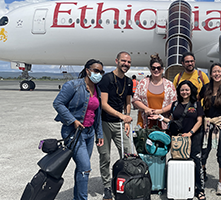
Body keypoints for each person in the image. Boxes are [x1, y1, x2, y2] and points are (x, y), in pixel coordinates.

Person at [53, 59, 105, 200]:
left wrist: (99, 134)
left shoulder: (97, 89)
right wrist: (73, 120)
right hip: (74, 133)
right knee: (85, 168)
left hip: (89, 133)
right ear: (87, 70)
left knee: (82, 169)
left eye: (101, 72)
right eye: (96, 71)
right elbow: (58, 103)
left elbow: (97, 114)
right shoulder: (73, 85)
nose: (98, 74)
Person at [150, 80, 206, 200]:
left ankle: (200, 190)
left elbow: (199, 121)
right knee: (178, 162)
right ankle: (181, 186)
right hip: (178, 139)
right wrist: (160, 118)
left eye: (186, 90)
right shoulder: (175, 105)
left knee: (196, 162)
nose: (184, 92)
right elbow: (171, 121)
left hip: (193, 137)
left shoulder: (196, 104)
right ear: (179, 91)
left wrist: (190, 133)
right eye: (182, 90)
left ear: (190, 91)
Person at [97, 51, 133, 200]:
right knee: (105, 156)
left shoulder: (129, 81)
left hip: (120, 124)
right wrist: (121, 116)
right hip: (105, 123)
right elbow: (103, 104)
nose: (126, 64)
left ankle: (123, 183)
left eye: (129, 62)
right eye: (123, 61)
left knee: (127, 155)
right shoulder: (106, 79)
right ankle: (106, 186)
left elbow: (128, 103)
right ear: (117, 61)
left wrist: (126, 119)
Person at [198, 63, 221, 196]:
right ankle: (201, 178)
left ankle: (220, 183)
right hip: (207, 125)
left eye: (219, 71)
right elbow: (197, 102)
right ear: (211, 74)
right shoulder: (206, 88)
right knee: (203, 153)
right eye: (214, 72)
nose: (217, 74)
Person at [132, 54, 177, 129]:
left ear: (162, 69)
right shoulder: (143, 83)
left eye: (158, 68)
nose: (156, 70)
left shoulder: (169, 85)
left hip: (163, 122)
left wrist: (161, 111)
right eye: (153, 68)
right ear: (150, 70)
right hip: (145, 122)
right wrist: (146, 109)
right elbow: (136, 100)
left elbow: (174, 103)